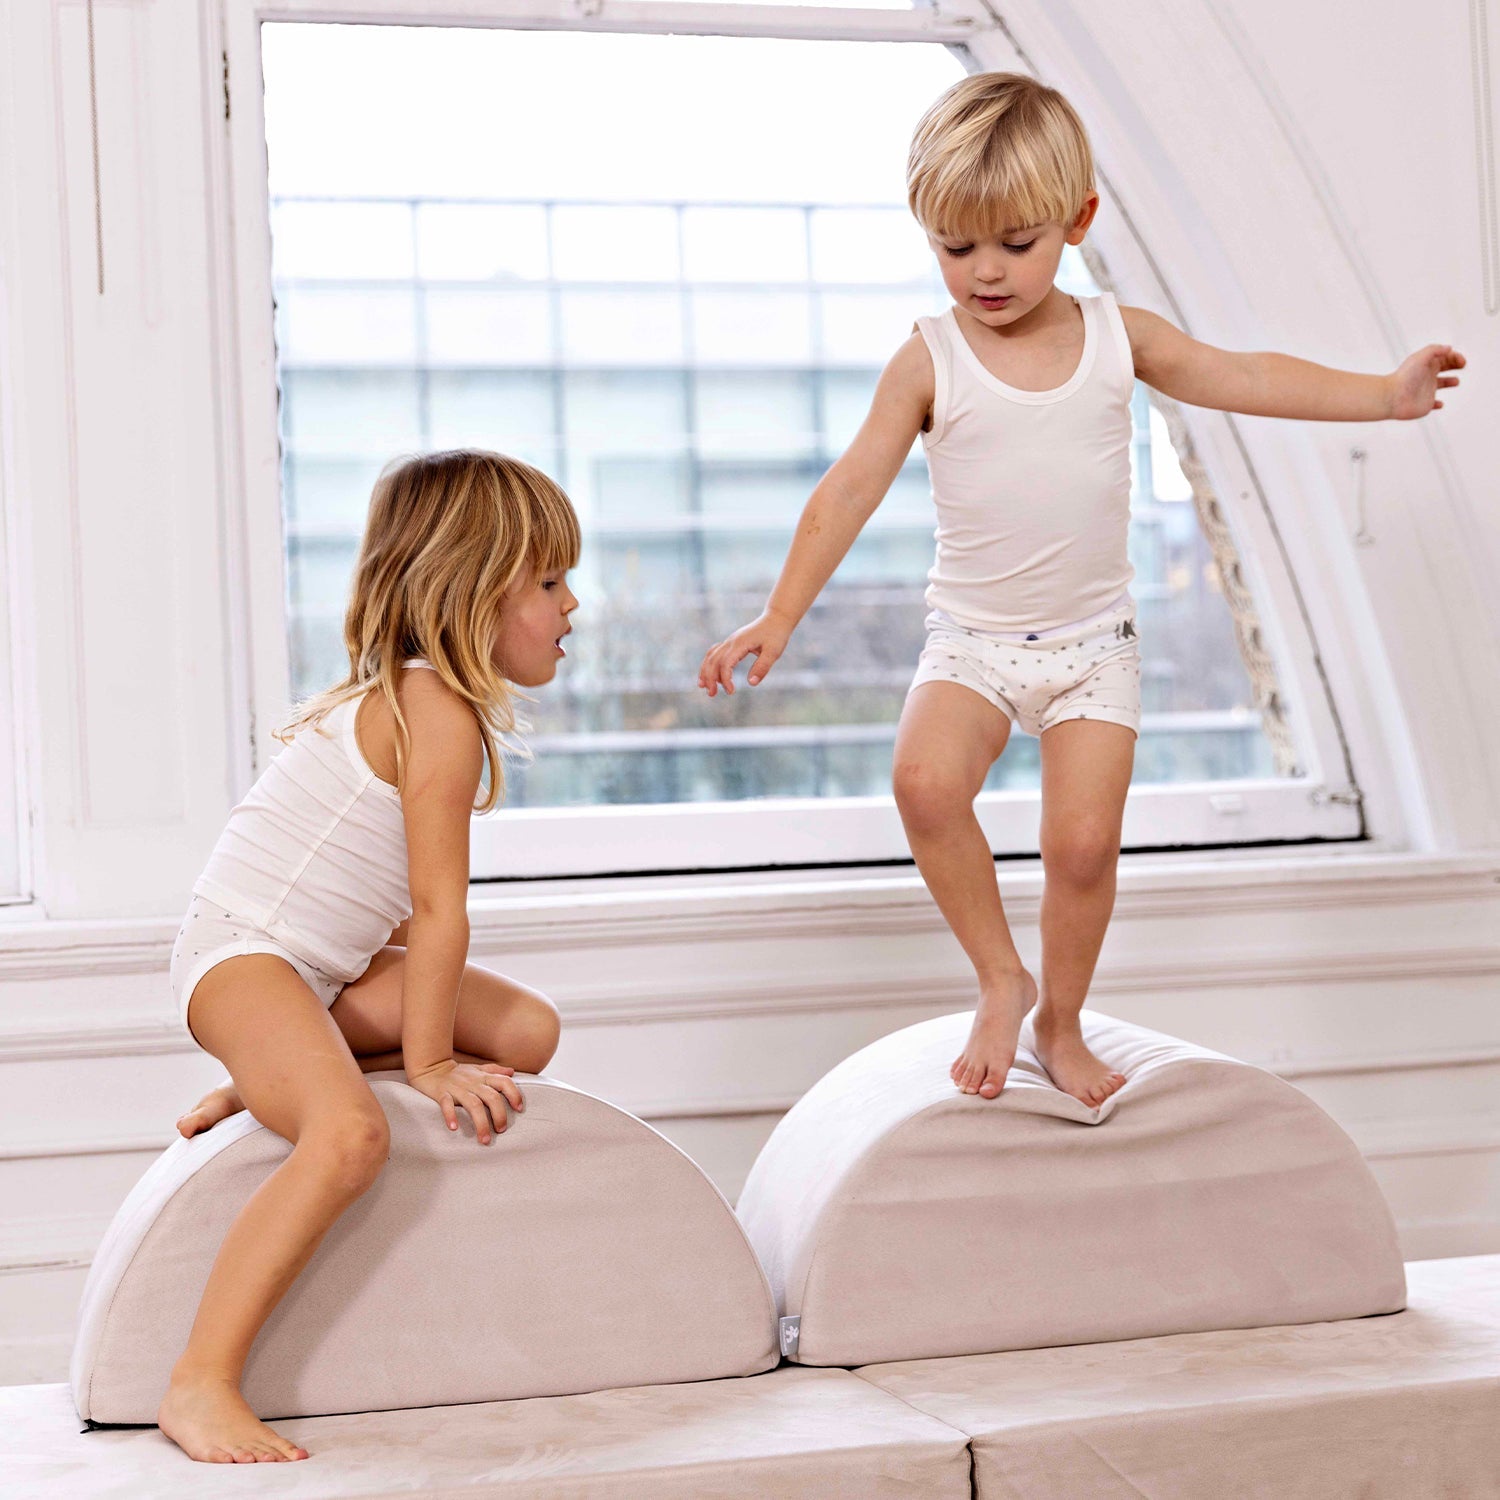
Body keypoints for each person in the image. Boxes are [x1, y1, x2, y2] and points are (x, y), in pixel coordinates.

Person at [698, 71, 1463, 1110]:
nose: (985, 271)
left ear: (1079, 220)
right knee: (923, 784)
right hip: (972, 641)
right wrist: (781, 613)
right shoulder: (929, 359)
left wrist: (1383, 395)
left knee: (1084, 847)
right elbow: (849, 489)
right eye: (955, 247)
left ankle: (1059, 1020)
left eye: (1016, 243)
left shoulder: (1119, 337)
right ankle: (999, 979)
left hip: (1093, 649)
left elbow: (1245, 376)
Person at [159, 450, 580, 1463]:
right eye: (549, 581)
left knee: (528, 1032)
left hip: (319, 976)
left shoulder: (434, 705)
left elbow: (387, 919)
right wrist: (426, 1063)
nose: (573, 605)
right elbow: (438, 914)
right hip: (244, 957)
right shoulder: (431, 710)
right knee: (350, 1138)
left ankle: (281, 1071)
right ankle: (200, 1382)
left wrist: (393, 1039)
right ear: (476, 589)